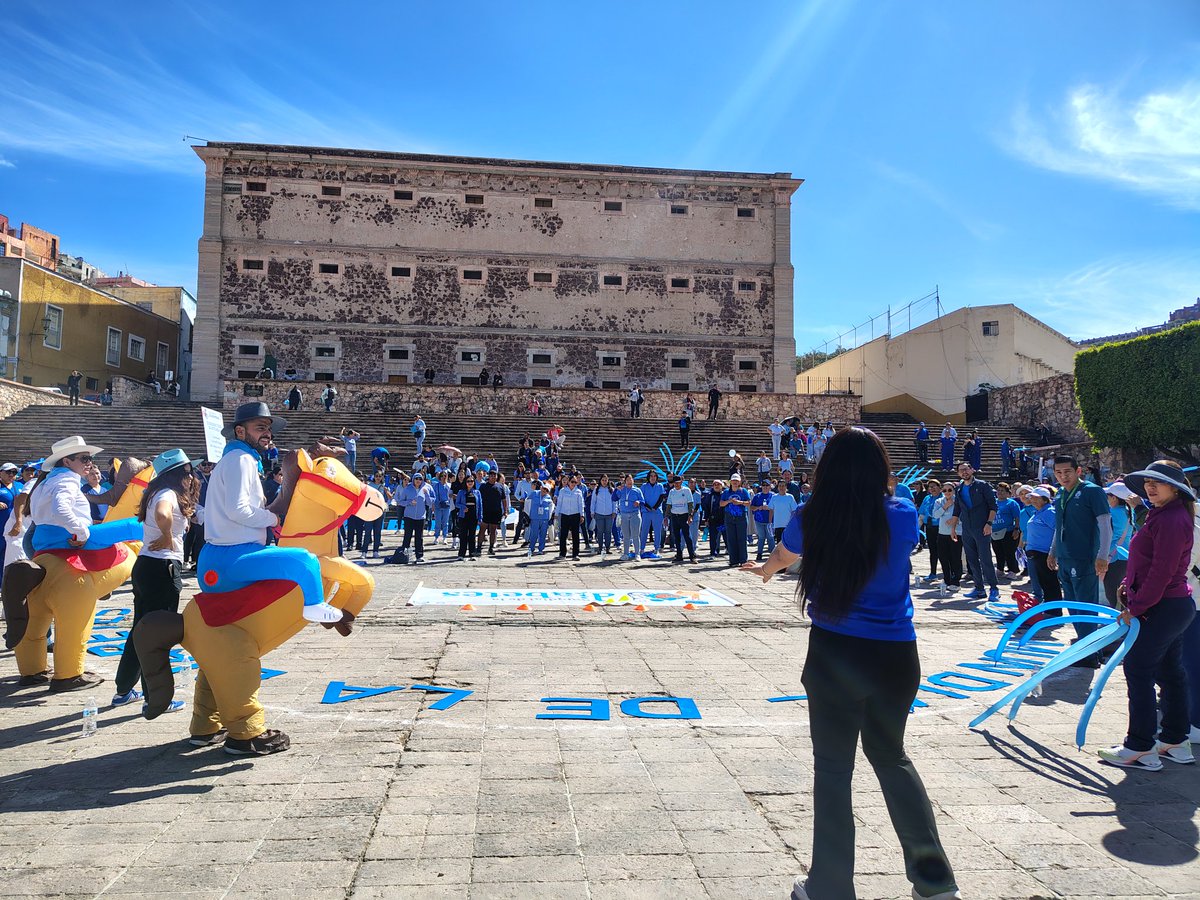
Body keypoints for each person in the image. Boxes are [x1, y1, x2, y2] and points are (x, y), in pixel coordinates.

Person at [741, 427, 959, 900]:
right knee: (892, 758)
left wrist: (765, 571)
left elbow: (786, 555)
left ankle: (831, 886)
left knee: (834, 769)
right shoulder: (902, 514)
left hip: (836, 651)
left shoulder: (811, 514)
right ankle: (936, 883)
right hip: (896, 653)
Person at [200, 403, 341, 627]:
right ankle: (313, 606)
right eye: (260, 428)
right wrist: (273, 519)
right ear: (240, 431)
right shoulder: (241, 460)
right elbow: (238, 510)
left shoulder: (237, 459)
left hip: (226, 553)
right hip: (232, 555)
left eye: (268, 429)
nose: (267, 434)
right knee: (306, 562)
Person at [1099, 461, 1197, 770]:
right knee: (1169, 672)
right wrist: (1130, 584)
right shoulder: (1164, 515)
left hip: (1164, 605)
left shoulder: (1172, 518)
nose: (1150, 487)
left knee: (1138, 669)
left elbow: (1163, 571)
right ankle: (1175, 740)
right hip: (1172, 604)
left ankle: (1140, 746)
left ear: (1176, 487)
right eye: (1147, 483)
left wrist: (1136, 607)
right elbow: (1148, 562)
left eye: (1158, 482)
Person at [111, 450, 198, 712]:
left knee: (141, 629)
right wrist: (167, 534)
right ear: (179, 473)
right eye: (188, 471)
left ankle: (124, 689)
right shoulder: (167, 494)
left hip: (148, 565)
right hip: (162, 567)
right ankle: (155, 697)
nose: (192, 476)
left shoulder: (156, 492)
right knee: (157, 634)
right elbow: (163, 513)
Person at [1048, 454, 1112, 666]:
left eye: (1067, 472)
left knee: (1085, 605)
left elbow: (1104, 524)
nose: (1063, 476)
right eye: (1058, 473)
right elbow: (1059, 526)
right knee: (1072, 606)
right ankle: (1083, 646)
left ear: (1078, 471)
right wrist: (1053, 551)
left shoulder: (1091, 492)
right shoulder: (1059, 495)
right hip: (1065, 557)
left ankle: (1090, 653)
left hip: (1084, 557)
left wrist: (1102, 555)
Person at [946, 462, 1000, 603]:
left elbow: (993, 506)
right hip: (967, 528)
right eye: (961, 471)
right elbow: (957, 509)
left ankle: (994, 588)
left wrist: (989, 523)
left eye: (966, 469)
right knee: (972, 559)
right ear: (958, 473)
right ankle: (979, 588)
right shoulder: (959, 489)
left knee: (985, 558)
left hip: (982, 526)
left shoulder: (982, 485)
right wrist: (953, 529)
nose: (964, 472)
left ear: (972, 469)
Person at [1022, 487, 1060, 606]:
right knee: (1041, 582)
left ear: (1044, 499)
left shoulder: (1049, 512)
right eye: (1031, 497)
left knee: (1049, 583)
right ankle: (1045, 607)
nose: (1032, 500)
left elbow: (1059, 531)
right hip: (1034, 553)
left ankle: (1054, 610)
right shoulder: (1037, 512)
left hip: (1044, 553)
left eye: (1035, 498)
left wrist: (1053, 553)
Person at [397, 472, 434, 563]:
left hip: (421, 517)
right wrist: (409, 502)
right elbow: (400, 502)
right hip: (409, 516)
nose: (418, 481)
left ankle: (419, 555)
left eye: (420, 479)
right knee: (407, 536)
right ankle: (404, 554)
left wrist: (427, 495)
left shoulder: (427, 488)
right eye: (416, 479)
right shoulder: (407, 489)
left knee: (419, 537)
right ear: (413, 479)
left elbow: (430, 502)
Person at [720, 473, 751, 568]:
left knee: (742, 539)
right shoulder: (726, 492)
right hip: (729, 517)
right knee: (731, 539)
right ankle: (733, 560)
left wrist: (740, 502)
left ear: (740, 482)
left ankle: (743, 560)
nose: (735, 482)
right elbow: (721, 503)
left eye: (737, 481)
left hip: (741, 517)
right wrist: (729, 501)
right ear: (730, 482)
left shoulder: (744, 491)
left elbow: (749, 502)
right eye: (733, 481)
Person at [991, 483, 1022, 578]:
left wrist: (1016, 529)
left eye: (1002, 491)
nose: (1000, 492)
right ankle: (1000, 569)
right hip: (994, 531)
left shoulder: (1012, 503)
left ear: (1008, 493)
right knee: (998, 551)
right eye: (998, 490)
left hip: (1008, 531)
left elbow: (1017, 517)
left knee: (1009, 552)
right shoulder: (993, 502)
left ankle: (1013, 570)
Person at [664, 475, 697, 563]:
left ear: (681, 482)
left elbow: (690, 503)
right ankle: (679, 555)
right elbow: (669, 505)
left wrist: (690, 515)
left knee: (687, 536)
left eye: (678, 483)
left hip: (684, 515)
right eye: (675, 483)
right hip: (675, 516)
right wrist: (666, 517)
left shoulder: (686, 490)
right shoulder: (672, 492)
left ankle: (692, 555)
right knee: (676, 537)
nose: (677, 485)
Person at [916, 479, 941, 582]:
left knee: (943, 551)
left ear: (939, 487)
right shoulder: (927, 498)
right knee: (933, 551)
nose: (932, 488)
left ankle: (950, 572)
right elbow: (921, 514)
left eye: (934, 486)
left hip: (941, 528)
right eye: (930, 487)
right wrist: (916, 528)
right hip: (930, 527)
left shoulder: (943, 498)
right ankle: (933, 572)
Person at [555, 474, 585, 560]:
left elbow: (581, 504)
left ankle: (575, 554)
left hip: (575, 515)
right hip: (565, 514)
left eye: (575, 482)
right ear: (568, 482)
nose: (574, 484)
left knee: (575, 535)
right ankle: (562, 554)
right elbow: (559, 503)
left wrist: (581, 515)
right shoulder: (562, 491)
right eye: (572, 482)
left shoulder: (578, 492)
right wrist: (556, 514)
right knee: (563, 535)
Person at [616, 474, 643, 561]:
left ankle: (637, 554)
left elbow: (643, 501)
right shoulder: (622, 489)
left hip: (634, 514)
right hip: (624, 514)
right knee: (626, 535)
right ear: (625, 481)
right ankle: (626, 553)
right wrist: (617, 490)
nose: (629, 481)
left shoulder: (637, 490)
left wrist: (638, 502)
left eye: (631, 479)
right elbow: (614, 498)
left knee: (635, 535)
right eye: (627, 479)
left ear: (633, 481)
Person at [638, 471, 665, 558]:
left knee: (657, 531)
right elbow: (641, 498)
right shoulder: (644, 486)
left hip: (657, 512)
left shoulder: (660, 486)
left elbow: (662, 497)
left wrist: (655, 507)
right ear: (648, 477)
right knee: (644, 531)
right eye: (651, 476)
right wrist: (647, 506)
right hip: (646, 512)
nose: (653, 478)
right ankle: (641, 549)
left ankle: (657, 548)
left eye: (654, 476)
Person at [455, 473, 482, 559]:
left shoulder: (477, 492)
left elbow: (480, 505)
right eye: (468, 481)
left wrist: (480, 517)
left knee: (472, 536)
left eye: (472, 481)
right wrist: (463, 507)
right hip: (463, 516)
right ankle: (461, 554)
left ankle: (472, 554)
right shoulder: (461, 492)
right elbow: (457, 504)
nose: (470, 482)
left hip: (473, 516)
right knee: (463, 535)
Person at [590, 474, 616, 556]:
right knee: (600, 532)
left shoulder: (611, 490)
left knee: (608, 531)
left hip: (609, 514)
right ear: (600, 481)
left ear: (608, 481)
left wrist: (614, 511)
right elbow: (593, 501)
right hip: (599, 513)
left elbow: (614, 502)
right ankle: (600, 547)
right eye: (603, 480)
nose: (604, 482)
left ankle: (608, 548)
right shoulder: (597, 490)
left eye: (606, 480)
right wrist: (592, 512)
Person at [526, 481, 554, 555]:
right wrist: (528, 513)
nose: (545, 491)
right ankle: (531, 548)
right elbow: (527, 501)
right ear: (541, 487)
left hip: (544, 518)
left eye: (547, 490)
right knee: (534, 534)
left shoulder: (548, 497)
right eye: (544, 489)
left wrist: (549, 516)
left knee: (543, 534)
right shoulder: (534, 493)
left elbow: (551, 506)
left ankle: (541, 549)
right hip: (535, 517)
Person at [769, 479, 798, 547]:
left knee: (788, 544)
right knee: (779, 544)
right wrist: (770, 522)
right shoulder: (774, 497)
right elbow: (771, 510)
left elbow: (794, 511)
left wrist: (792, 522)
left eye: (783, 486)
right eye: (780, 486)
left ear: (786, 487)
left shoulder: (790, 497)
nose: (781, 487)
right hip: (777, 524)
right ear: (778, 487)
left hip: (788, 525)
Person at [751, 480, 775, 561]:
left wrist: (769, 508)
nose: (765, 487)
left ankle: (772, 554)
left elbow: (777, 507)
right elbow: (751, 507)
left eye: (767, 485)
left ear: (770, 486)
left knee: (770, 537)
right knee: (761, 537)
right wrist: (758, 508)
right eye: (763, 485)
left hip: (770, 520)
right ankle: (759, 553)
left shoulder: (773, 496)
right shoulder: (757, 496)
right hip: (759, 520)